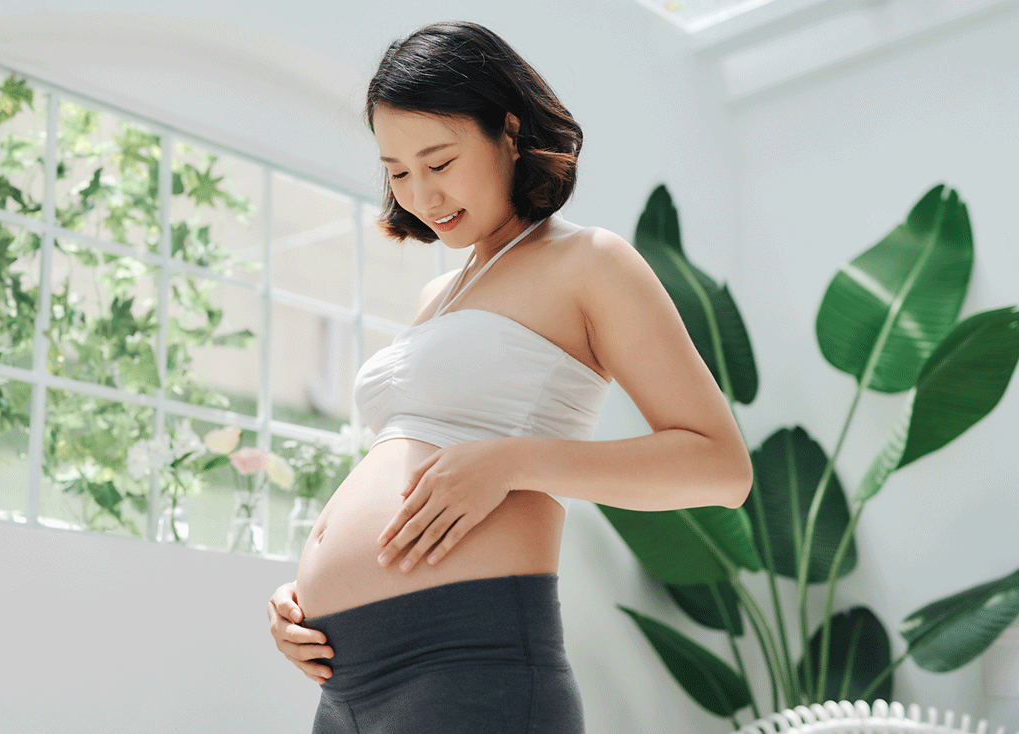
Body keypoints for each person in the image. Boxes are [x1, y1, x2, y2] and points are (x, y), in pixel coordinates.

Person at [266, 20, 752, 734]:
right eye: (398, 171)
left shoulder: (589, 262)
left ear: (510, 130)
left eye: (439, 162)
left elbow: (721, 467)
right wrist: (305, 600)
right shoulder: (443, 293)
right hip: (347, 681)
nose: (422, 196)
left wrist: (514, 462)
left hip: (468, 663)